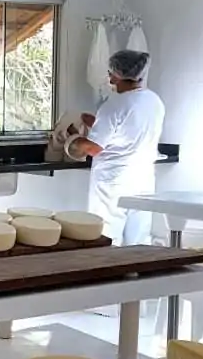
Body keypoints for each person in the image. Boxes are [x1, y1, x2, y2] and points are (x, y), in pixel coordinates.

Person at [67, 50, 165, 246]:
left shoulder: (113, 104)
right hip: (142, 179)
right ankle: (136, 273)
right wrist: (96, 122)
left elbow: (94, 149)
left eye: (110, 72)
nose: (109, 76)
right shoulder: (154, 100)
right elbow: (128, 129)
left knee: (107, 234)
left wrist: (72, 139)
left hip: (112, 182)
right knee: (138, 235)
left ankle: (109, 274)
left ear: (116, 76)